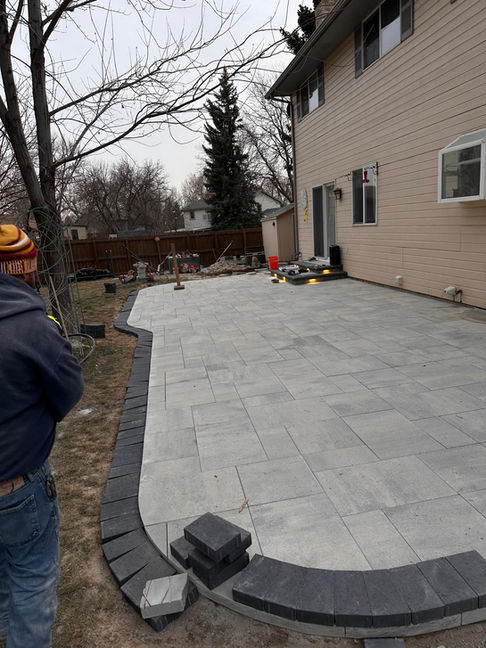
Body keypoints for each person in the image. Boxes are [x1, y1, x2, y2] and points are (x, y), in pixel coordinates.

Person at [0, 225, 84, 648]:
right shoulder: (33, 327)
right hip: (18, 486)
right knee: (31, 577)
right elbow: (69, 390)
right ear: (26, 270)